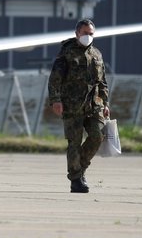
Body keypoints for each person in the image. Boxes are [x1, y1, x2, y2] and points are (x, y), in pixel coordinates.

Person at [47, 18, 110, 193]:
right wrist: (56, 100)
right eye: (84, 33)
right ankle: (76, 180)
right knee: (74, 143)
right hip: (72, 105)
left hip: (94, 105)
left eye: (91, 34)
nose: (88, 37)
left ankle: (80, 168)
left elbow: (102, 82)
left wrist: (105, 103)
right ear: (77, 34)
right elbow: (55, 79)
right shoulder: (66, 52)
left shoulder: (97, 54)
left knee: (97, 136)